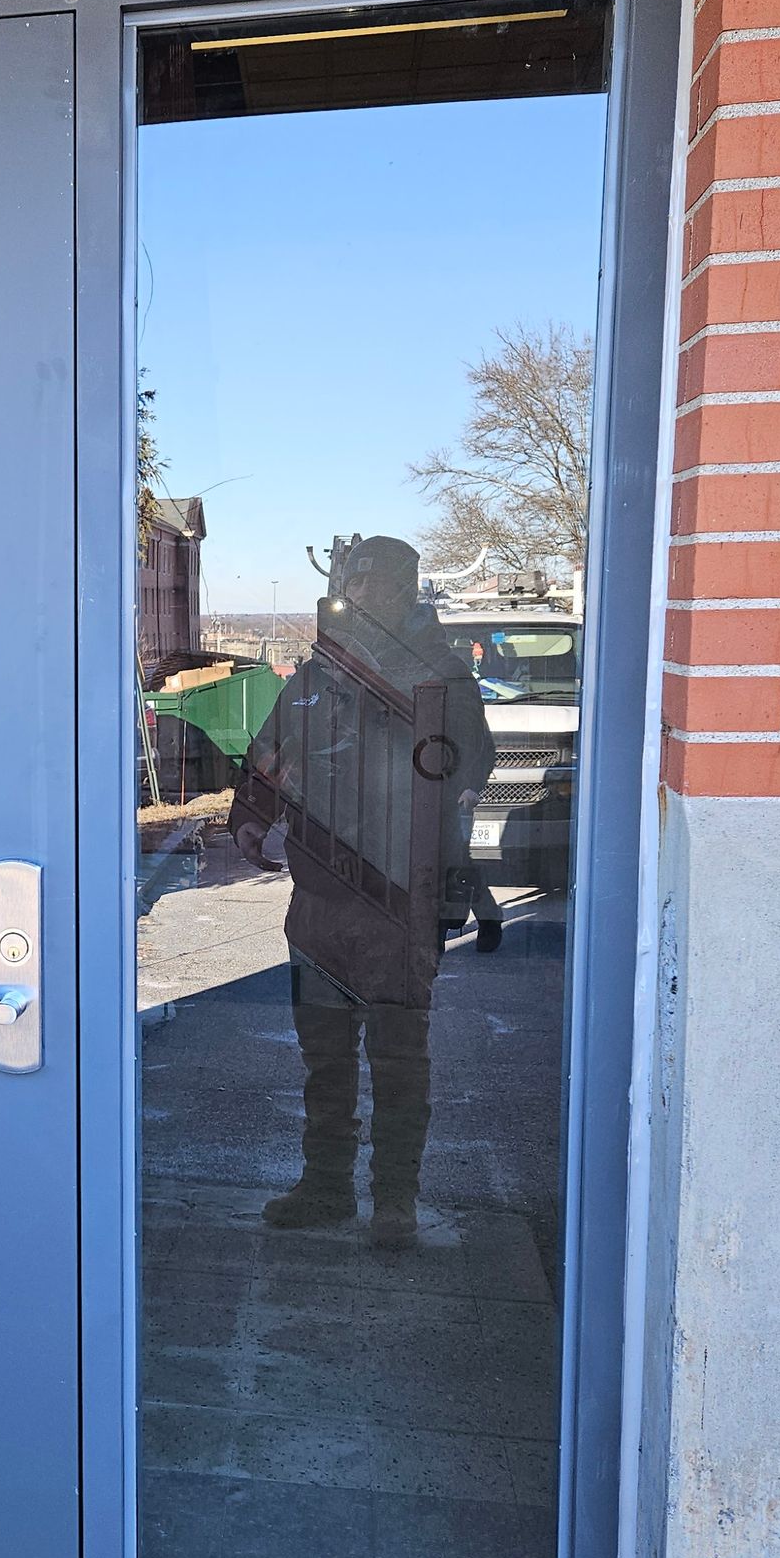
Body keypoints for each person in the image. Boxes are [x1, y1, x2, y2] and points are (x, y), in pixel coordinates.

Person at [231, 535, 494, 1249]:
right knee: (325, 1059)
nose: (366, 595)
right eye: (358, 583)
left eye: (380, 584)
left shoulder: (440, 677)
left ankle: (394, 1203)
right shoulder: (315, 677)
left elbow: (474, 762)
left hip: (401, 907)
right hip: (319, 903)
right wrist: (251, 820)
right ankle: (325, 1190)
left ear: (407, 591)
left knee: (400, 1059)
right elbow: (265, 759)